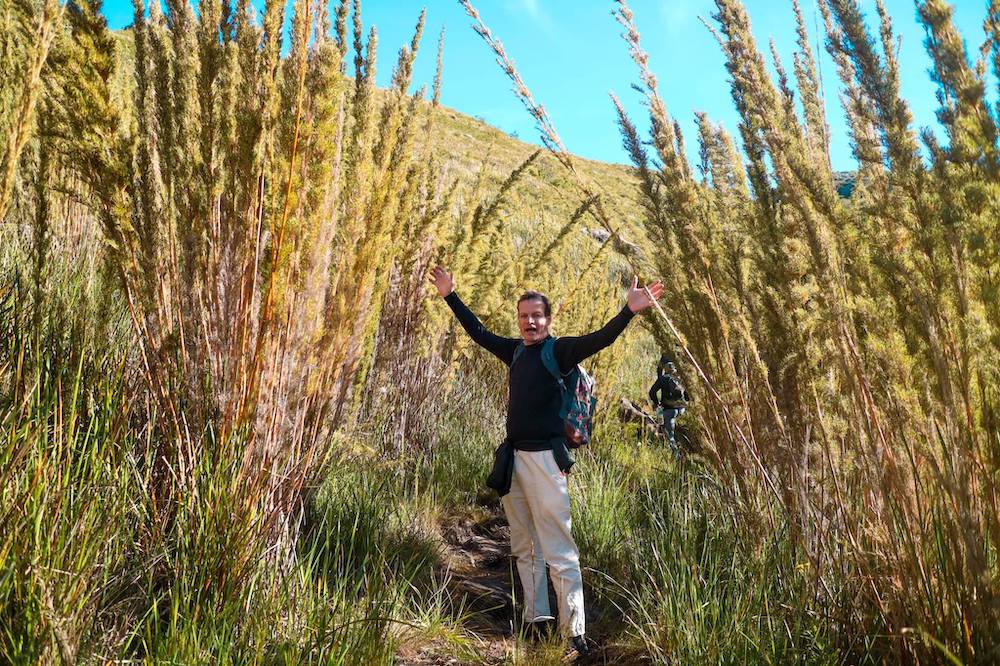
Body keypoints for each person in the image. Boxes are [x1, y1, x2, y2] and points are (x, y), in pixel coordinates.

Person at [429, 266, 662, 656]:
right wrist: (450, 295)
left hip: (547, 462)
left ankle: (575, 633)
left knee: (559, 549)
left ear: (548, 319)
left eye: (536, 315)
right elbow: (479, 334)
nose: (529, 322)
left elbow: (599, 340)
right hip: (514, 461)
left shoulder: (561, 351)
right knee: (524, 545)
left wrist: (628, 312)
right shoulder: (517, 351)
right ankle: (536, 619)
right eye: (524, 316)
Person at [648, 356, 689, 457]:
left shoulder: (663, 378)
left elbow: (652, 392)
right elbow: (688, 395)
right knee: (682, 431)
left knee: (670, 435)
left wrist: (657, 403)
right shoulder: (681, 377)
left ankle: (677, 457)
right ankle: (687, 451)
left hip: (669, 411)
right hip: (682, 409)